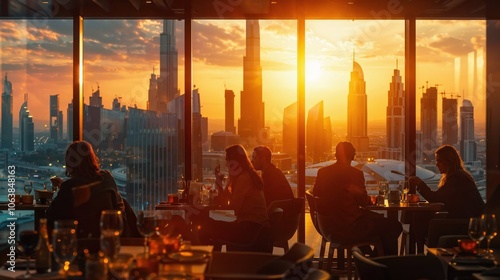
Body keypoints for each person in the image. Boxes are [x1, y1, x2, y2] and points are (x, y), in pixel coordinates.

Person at [313, 142, 402, 255]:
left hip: (327, 228)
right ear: (353, 156)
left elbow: (316, 193)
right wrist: (373, 200)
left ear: (335, 155)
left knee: (382, 224)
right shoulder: (355, 174)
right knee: (393, 226)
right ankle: (380, 264)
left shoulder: (323, 172)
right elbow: (363, 201)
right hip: (349, 229)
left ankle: (370, 261)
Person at [46, 141, 140, 238]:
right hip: (111, 238)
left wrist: (62, 190)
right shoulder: (106, 178)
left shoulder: (68, 187)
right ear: (92, 159)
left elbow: (51, 215)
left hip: (82, 244)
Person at [408, 144, 485, 250]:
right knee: (420, 216)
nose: (436, 164)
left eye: (439, 161)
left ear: (449, 161)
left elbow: (434, 198)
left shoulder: (457, 179)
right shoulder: (459, 176)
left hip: (464, 224)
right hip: (464, 220)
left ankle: (422, 251)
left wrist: (420, 184)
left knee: (420, 217)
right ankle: (422, 251)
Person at [197, 144, 269, 249]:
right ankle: (214, 259)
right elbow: (224, 201)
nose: (226, 164)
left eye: (228, 160)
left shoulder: (244, 179)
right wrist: (219, 181)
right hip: (254, 228)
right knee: (208, 226)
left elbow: (234, 206)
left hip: (249, 230)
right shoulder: (244, 176)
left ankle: (211, 260)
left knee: (205, 226)